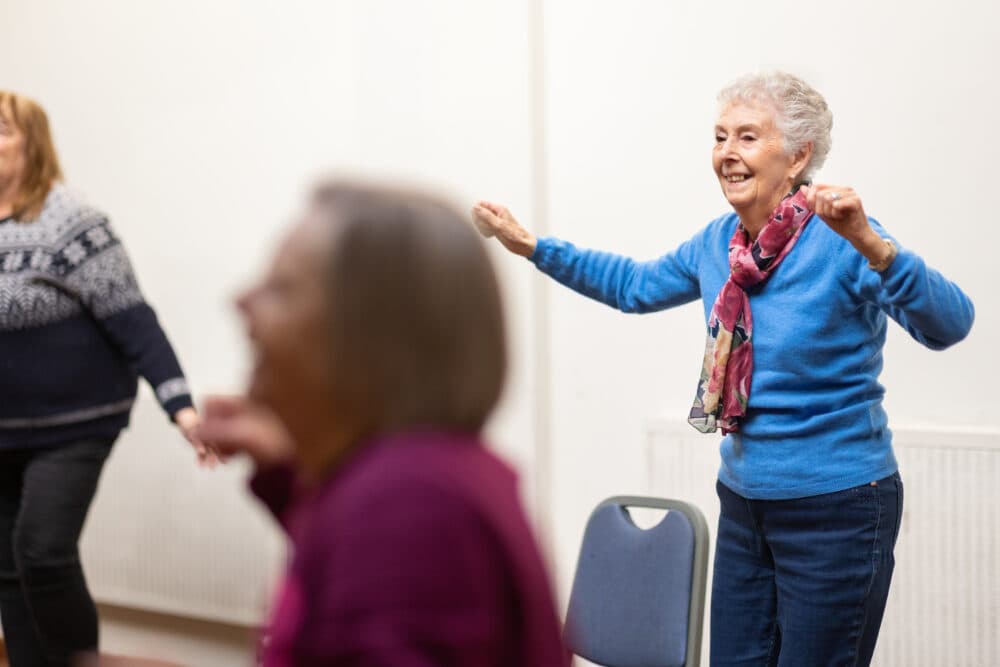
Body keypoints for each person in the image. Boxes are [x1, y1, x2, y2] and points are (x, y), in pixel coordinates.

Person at [472, 71, 974, 666]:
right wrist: (532, 246)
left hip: (838, 508)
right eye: (719, 137)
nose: (727, 154)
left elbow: (950, 324)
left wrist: (873, 243)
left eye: (747, 137)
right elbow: (633, 285)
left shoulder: (845, 241)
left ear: (798, 156)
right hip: (744, 504)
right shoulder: (719, 246)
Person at [197, 180, 568, 666]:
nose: (240, 302)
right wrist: (287, 472)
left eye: (282, 290)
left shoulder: (410, 503)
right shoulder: (416, 478)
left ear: (368, 338)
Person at [0, 91, 214, 666]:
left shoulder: (72, 223)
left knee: (42, 551)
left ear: (33, 145)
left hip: (75, 423)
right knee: (7, 570)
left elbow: (134, 319)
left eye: (0, 129)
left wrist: (183, 409)